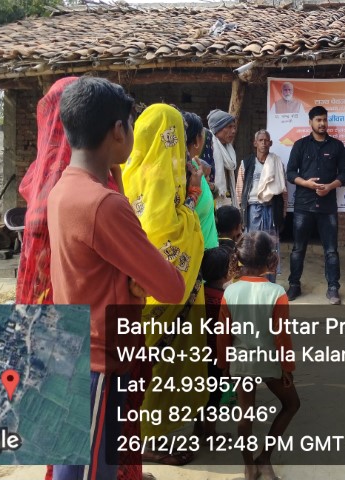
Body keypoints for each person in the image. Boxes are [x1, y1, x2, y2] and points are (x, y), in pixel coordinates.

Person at [47, 77, 185, 480]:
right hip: (100, 364)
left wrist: (130, 275)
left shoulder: (64, 189)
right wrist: (139, 278)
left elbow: (98, 264)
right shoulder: (104, 205)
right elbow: (171, 287)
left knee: (77, 465)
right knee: (89, 470)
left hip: (73, 347)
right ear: (119, 130)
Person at [122, 103, 208, 463]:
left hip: (145, 290)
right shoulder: (161, 175)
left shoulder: (128, 171)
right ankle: (147, 441)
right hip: (159, 290)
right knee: (158, 365)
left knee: (154, 364)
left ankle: (146, 435)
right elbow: (165, 233)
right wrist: (191, 203)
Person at [16, 76, 123, 306]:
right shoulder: (88, 180)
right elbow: (125, 247)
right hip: (87, 301)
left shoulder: (39, 173)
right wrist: (117, 176)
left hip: (42, 296)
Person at [217, 231, 300, 480]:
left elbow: (223, 334)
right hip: (270, 362)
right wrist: (287, 368)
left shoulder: (229, 292)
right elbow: (281, 336)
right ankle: (264, 457)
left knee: (245, 415)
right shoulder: (277, 293)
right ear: (270, 259)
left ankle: (249, 466)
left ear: (240, 258)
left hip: (241, 362)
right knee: (291, 404)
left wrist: (223, 364)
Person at [285, 106, 345, 304]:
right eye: (318, 120)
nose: (322, 123)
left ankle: (333, 288)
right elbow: (290, 173)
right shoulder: (300, 145)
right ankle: (294, 285)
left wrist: (330, 186)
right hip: (303, 205)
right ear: (310, 122)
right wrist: (307, 184)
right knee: (298, 249)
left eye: (324, 120)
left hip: (327, 207)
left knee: (331, 250)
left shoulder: (337, 146)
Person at [239, 129, 286, 282]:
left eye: (266, 140)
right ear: (255, 143)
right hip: (253, 210)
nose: (264, 143)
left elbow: (283, 190)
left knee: (271, 246)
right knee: (252, 246)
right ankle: (252, 281)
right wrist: (241, 214)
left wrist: (283, 212)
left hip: (271, 210)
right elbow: (240, 190)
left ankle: (270, 282)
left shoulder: (277, 163)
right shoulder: (246, 163)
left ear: (270, 143)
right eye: (260, 140)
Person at [199, 246, 234, 441]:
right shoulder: (226, 300)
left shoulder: (198, 294)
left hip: (197, 352)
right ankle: (210, 433)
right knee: (214, 395)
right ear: (227, 272)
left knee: (200, 392)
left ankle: (198, 429)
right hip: (216, 356)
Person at [183, 111, 219, 249]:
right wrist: (194, 191)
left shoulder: (195, 167)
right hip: (196, 255)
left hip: (206, 250)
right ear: (197, 141)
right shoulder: (185, 173)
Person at [207, 109, 239, 208]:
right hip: (211, 201)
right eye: (229, 127)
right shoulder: (208, 148)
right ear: (217, 129)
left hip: (227, 200)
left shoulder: (229, 149)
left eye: (234, 127)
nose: (233, 131)